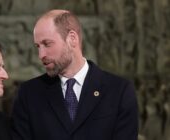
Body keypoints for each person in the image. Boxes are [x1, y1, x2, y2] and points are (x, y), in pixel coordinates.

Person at [11, 9, 138, 140]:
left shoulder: (118, 90)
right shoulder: (29, 94)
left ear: (72, 39)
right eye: (38, 46)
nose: (41, 54)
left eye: (47, 44)